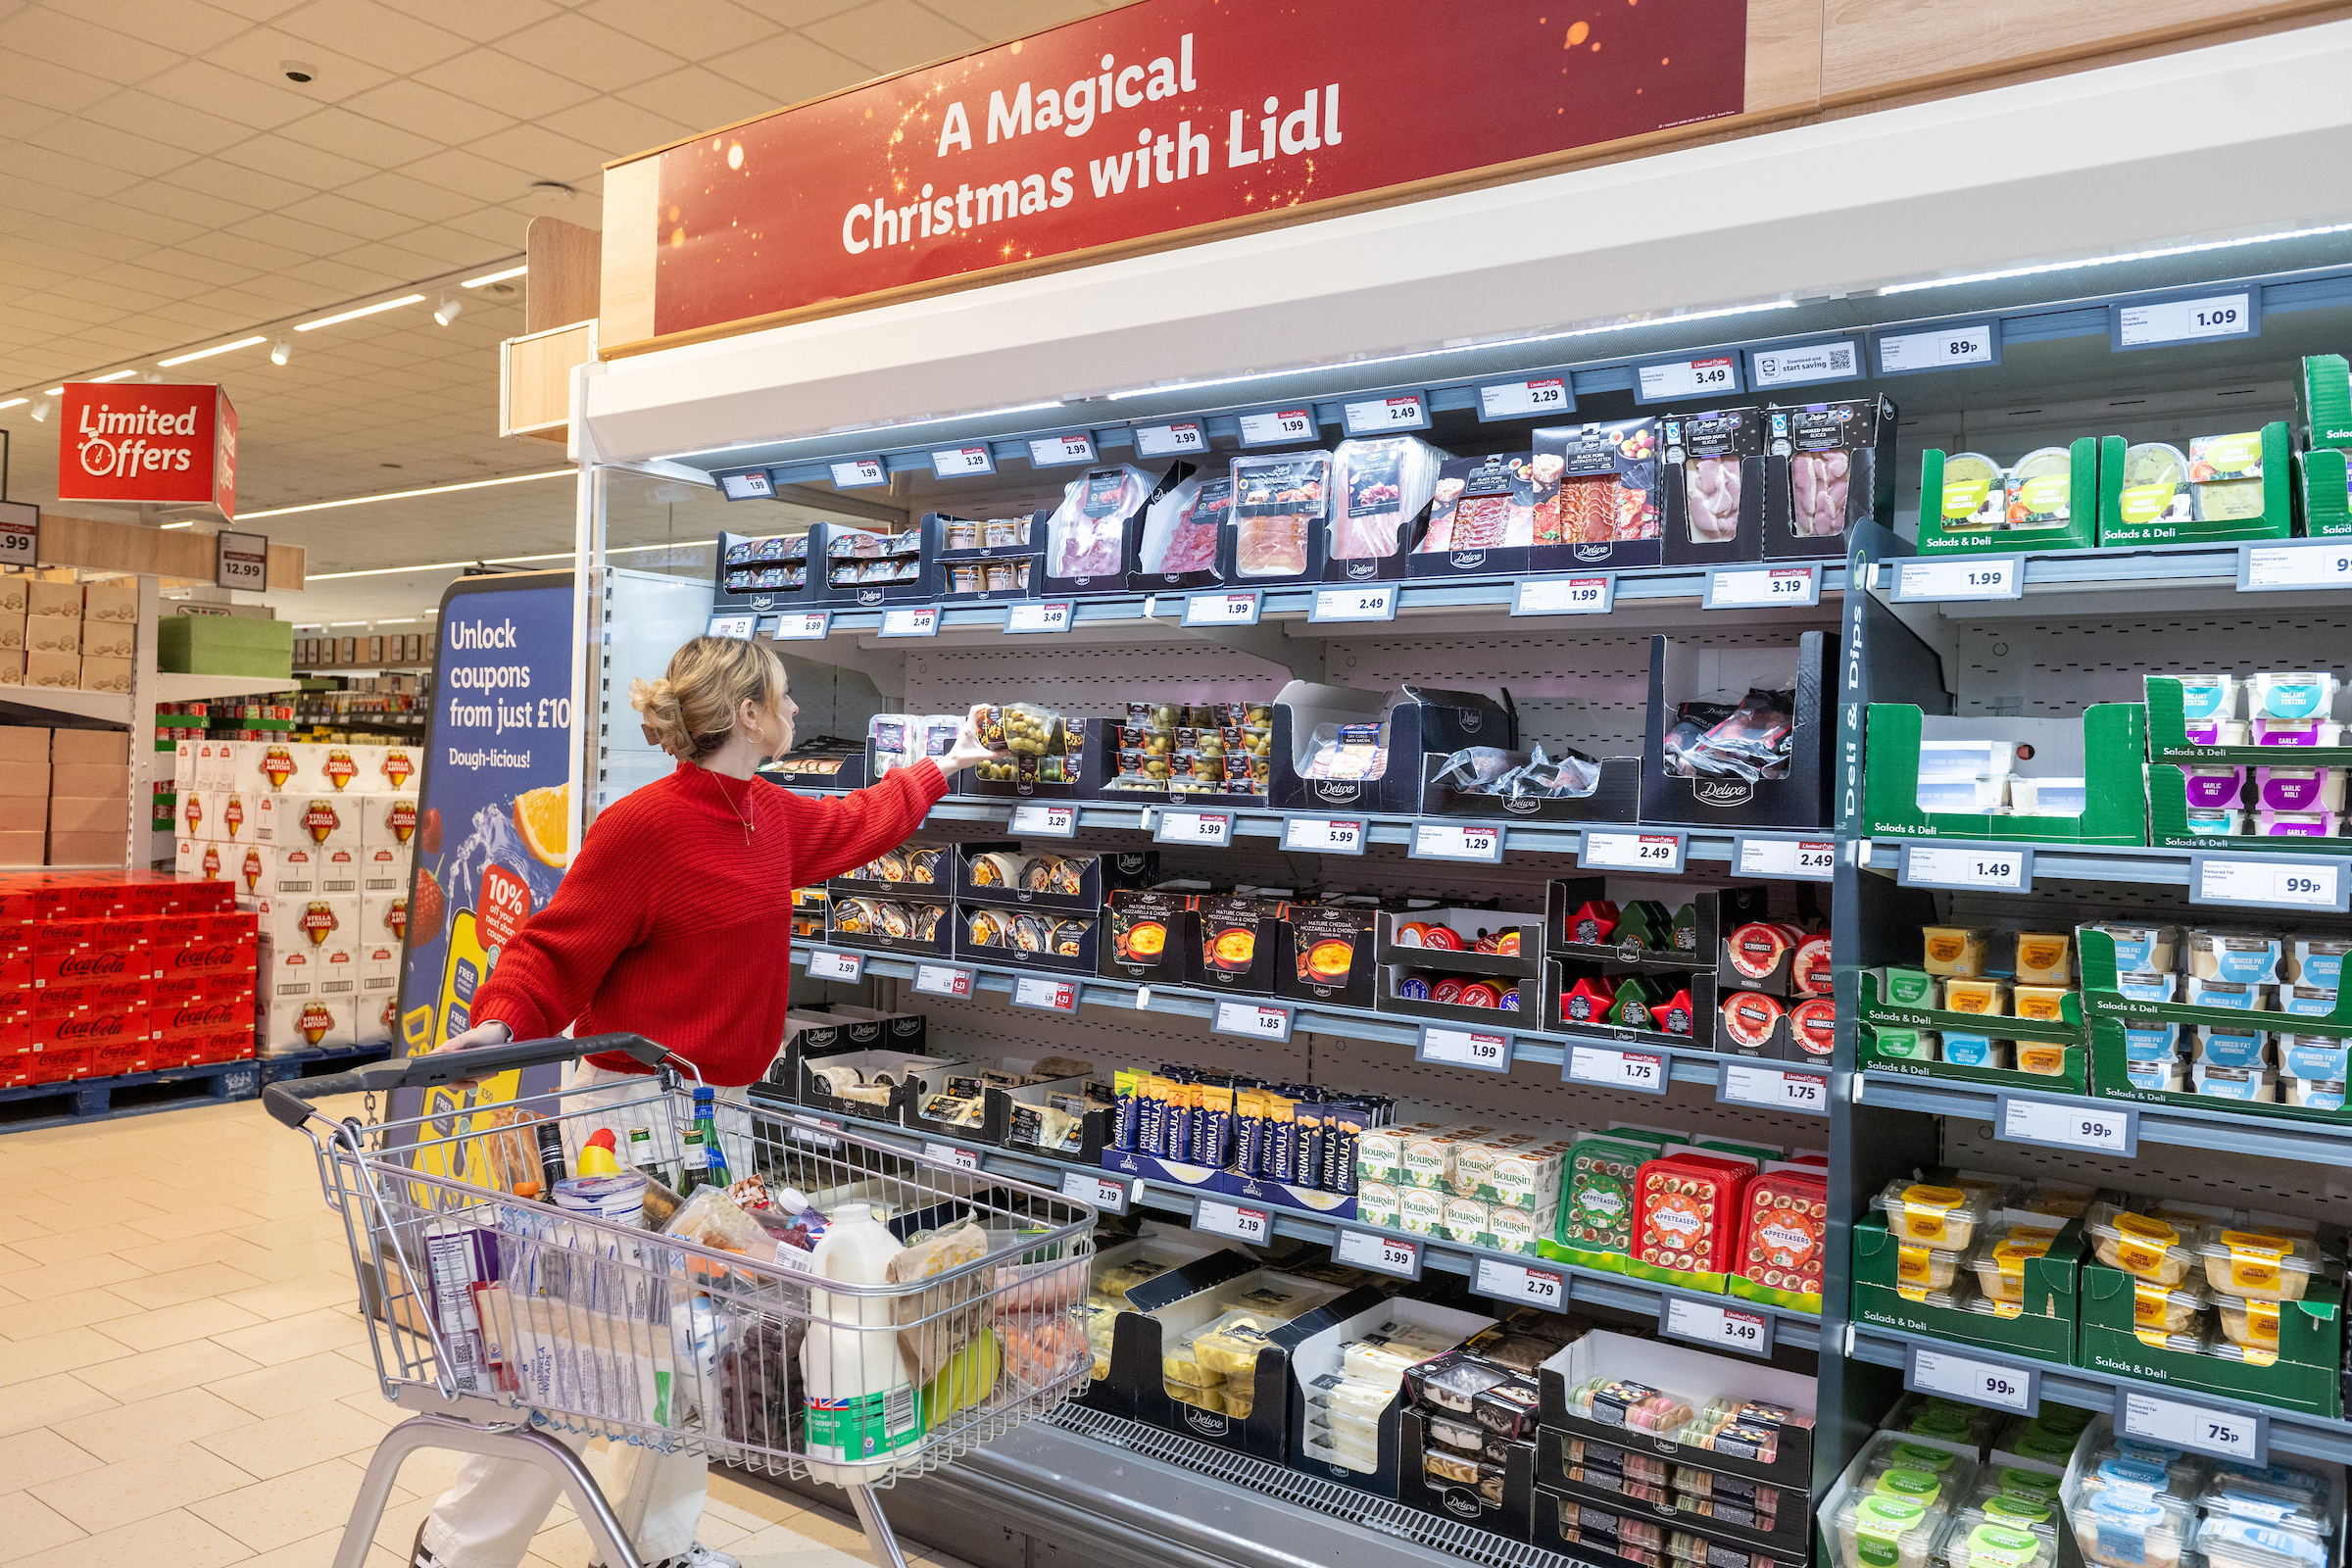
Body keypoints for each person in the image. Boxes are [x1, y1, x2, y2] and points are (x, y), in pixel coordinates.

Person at [412, 634, 1000, 1568]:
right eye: (786, 698)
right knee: (593, 1341)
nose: (798, 712)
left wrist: (941, 768)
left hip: (713, 1114)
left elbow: (854, 822)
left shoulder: (765, 813)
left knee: (696, 1341)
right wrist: (501, 1020)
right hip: (622, 1112)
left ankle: (655, 1544)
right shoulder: (645, 826)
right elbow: (556, 945)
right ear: (748, 714)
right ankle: (459, 1543)